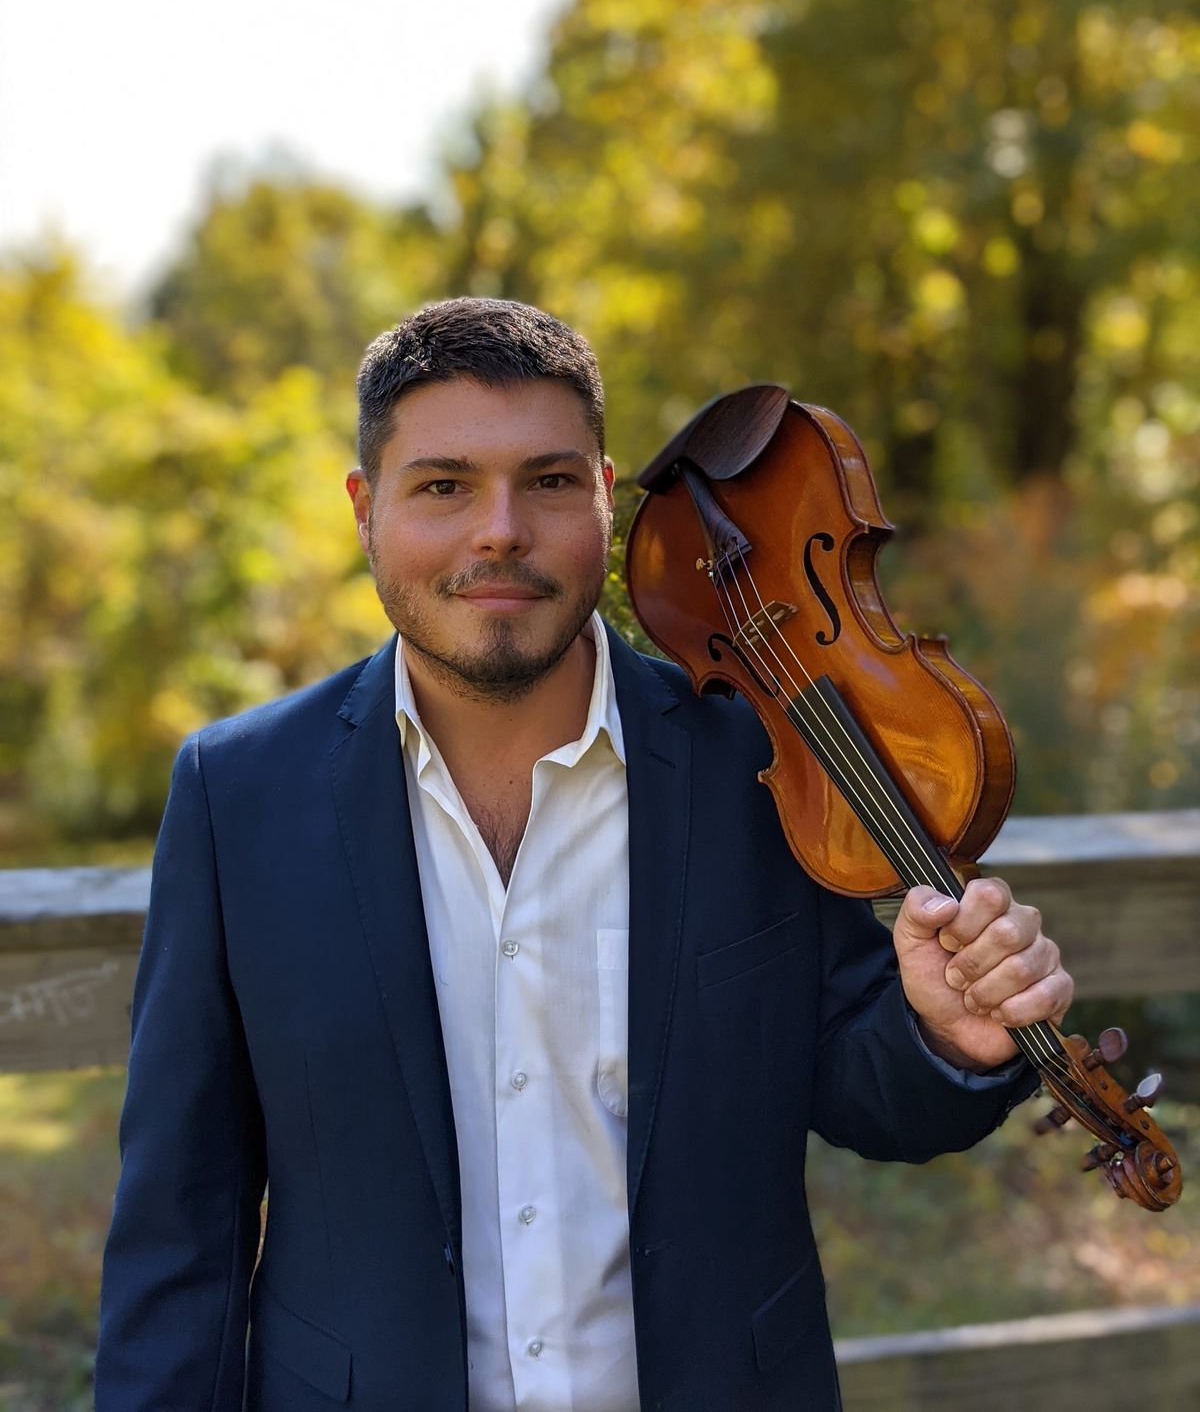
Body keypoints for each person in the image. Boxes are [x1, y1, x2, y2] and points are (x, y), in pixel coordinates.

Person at [95, 297, 1071, 1412]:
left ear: (606, 499)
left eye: (550, 481)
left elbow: (864, 1089)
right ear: (366, 510)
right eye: (444, 485)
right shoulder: (238, 794)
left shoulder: (764, 760)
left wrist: (945, 1036)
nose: (499, 531)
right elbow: (181, 1218)